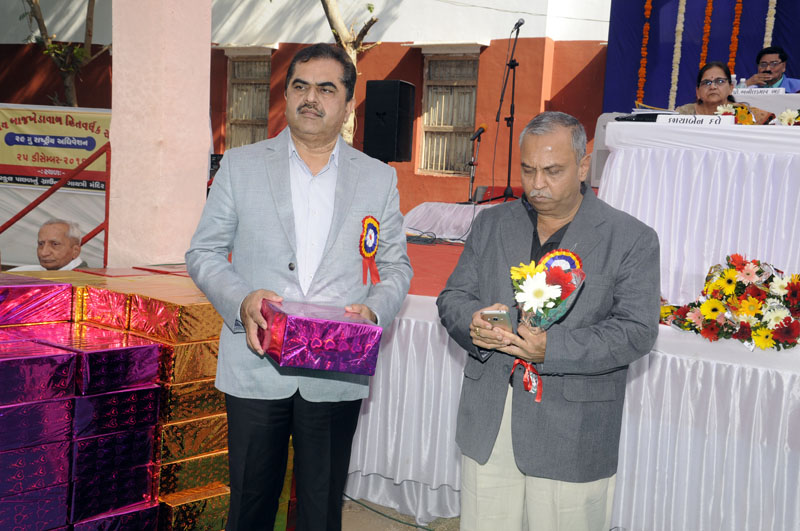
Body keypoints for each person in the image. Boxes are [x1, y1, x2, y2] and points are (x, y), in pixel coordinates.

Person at [186, 43, 412, 531]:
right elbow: (203, 252)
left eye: (326, 89)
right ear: (286, 95)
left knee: (320, 511)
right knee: (249, 509)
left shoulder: (378, 179)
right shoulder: (241, 165)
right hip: (255, 364)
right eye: (300, 86)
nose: (311, 98)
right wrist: (242, 300)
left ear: (348, 104)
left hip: (334, 369)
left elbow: (395, 267)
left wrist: (373, 314)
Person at [436, 111, 660, 531]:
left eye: (553, 171)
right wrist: (473, 323)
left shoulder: (630, 237)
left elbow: (637, 331)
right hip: (490, 420)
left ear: (583, 166)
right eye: (528, 169)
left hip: (571, 429)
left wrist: (551, 349)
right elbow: (453, 298)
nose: (537, 184)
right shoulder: (491, 224)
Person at [676, 61, 774, 124]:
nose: (713, 87)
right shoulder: (684, 113)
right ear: (698, 92)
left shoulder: (743, 112)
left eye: (720, 81)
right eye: (706, 83)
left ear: (731, 88)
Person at [9, 219, 87, 271]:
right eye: (41, 244)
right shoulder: (21, 273)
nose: (44, 253)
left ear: (75, 251)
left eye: (55, 244)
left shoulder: (86, 286)